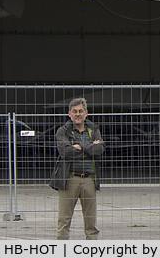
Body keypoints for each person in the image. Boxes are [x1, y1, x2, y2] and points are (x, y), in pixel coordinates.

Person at [53, 98, 104, 240]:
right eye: (74, 111)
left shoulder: (93, 129)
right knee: (64, 220)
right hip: (69, 179)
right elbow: (65, 152)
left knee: (91, 221)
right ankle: (61, 250)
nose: (78, 114)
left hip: (89, 180)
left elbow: (99, 150)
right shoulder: (63, 131)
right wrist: (89, 147)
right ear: (69, 114)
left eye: (81, 111)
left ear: (86, 113)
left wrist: (79, 147)